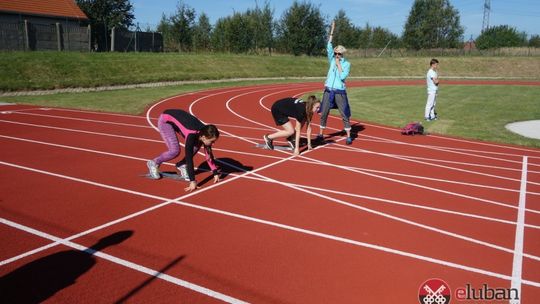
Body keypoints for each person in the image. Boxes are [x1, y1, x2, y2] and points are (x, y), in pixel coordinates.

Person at [147, 109, 220, 192]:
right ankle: (154, 163)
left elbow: (208, 154)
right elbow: (189, 159)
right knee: (175, 151)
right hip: (166, 121)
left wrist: (215, 173)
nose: (213, 143)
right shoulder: (192, 134)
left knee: (196, 145)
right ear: (204, 137)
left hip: (181, 121)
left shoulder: (205, 132)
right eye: (212, 141)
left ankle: (181, 164)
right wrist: (192, 181)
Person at [317, 20, 353, 145]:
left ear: (342, 54)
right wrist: (332, 30)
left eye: (339, 53)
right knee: (324, 112)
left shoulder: (346, 64)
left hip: (340, 91)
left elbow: (343, 76)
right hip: (328, 89)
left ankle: (348, 136)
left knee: (344, 113)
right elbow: (328, 46)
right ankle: (320, 134)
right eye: (336, 53)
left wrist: (339, 65)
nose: (336, 55)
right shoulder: (332, 59)